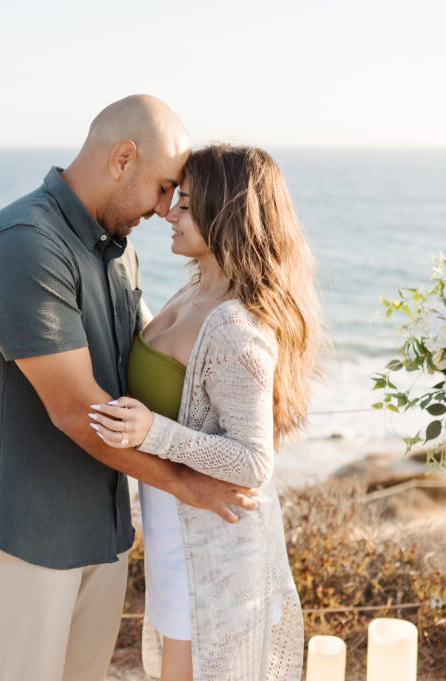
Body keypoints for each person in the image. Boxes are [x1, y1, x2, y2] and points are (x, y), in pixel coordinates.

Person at [0, 96, 261, 681]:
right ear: (122, 158)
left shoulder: (119, 252)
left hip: (104, 526)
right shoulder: (25, 243)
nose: (166, 207)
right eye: (164, 186)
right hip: (29, 530)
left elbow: (136, 378)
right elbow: (76, 410)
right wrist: (186, 485)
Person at [89, 144, 325, 681]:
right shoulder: (196, 285)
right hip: (174, 528)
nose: (169, 212)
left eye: (188, 205)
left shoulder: (235, 328)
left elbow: (251, 463)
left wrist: (153, 431)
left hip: (215, 548)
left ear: (228, 216)